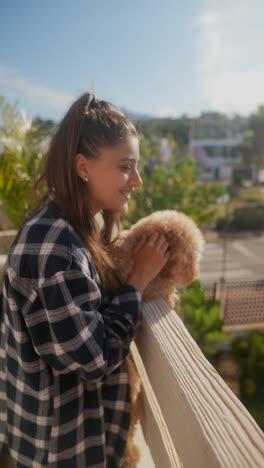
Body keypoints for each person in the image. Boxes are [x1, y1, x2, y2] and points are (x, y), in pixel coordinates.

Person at [0, 92, 170, 467]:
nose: (137, 181)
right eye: (126, 167)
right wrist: (138, 281)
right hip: (60, 450)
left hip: (57, 440)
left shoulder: (69, 226)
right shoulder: (55, 247)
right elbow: (94, 358)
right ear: (83, 165)